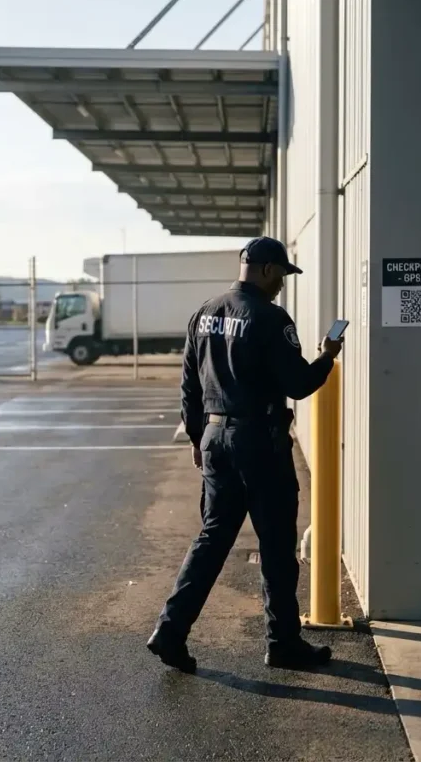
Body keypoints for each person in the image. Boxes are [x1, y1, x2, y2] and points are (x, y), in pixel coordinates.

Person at [147, 236, 343, 673]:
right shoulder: (271, 319)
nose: (281, 287)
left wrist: (199, 440)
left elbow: (189, 386)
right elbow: (298, 385)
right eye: (282, 277)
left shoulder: (204, 313)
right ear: (269, 269)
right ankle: (283, 643)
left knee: (212, 538)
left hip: (216, 438)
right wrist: (326, 358)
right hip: (260, 444)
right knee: (276, 544)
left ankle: (170, 630)